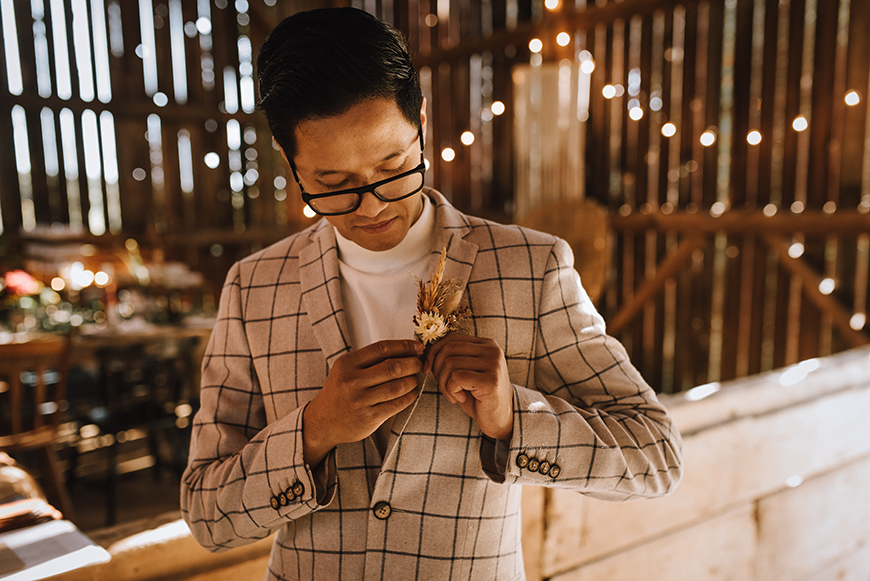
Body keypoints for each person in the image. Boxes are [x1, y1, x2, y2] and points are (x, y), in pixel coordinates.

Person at [181, 7, 683, 581]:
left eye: (393, 167)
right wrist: (315, 430)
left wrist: (510, 417)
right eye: (333, 185)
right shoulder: (255, 287)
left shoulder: (531, 266)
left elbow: (656, 457)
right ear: (289, 160)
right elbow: (206, 514)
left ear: (420, 122)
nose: (371, 206)